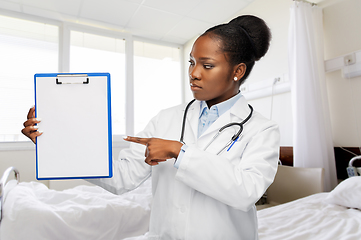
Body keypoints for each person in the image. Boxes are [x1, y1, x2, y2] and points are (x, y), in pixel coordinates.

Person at [22, 15, 280, 240]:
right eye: (191, 62)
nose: (194, 73)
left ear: (238, 71)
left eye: (207, 65)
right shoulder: (166, 118)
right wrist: (55, 141)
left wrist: (181, 152)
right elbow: (122, 178)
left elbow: (246, 191)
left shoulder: (261, 129)